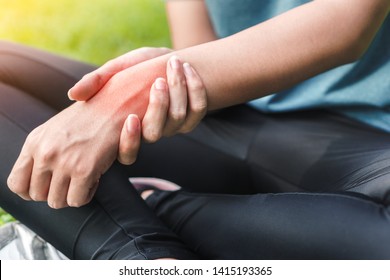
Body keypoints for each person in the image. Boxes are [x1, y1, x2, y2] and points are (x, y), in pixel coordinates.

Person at [1, 0, 390, 259]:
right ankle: (144, 258)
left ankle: (133, 211)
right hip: (236, 124)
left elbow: (347, 27)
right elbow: (198, 46)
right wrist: (171, 73)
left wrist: (127, 95)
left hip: (372, 144)